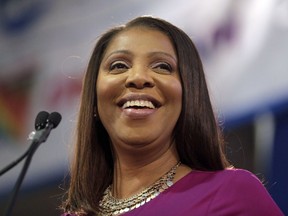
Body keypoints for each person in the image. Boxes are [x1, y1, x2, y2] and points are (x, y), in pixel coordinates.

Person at [61, 16, 283, 216]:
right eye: (119, 65)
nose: (138, 77)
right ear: (94, 97)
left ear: (188, 96)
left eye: (162, 66)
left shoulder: (230, 193)